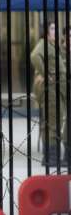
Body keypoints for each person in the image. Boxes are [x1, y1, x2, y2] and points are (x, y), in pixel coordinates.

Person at [31, 21, 68, 167]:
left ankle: (49, 157)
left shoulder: (52, 46)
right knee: (53, 123)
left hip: (56, 89)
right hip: (51, 90)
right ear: (46, 31)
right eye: (52, 28)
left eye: (56, 28)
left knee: (52, 122)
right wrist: (46, 73)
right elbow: (34, 56)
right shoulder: (44, 44)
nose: (55, 31)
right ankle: (52, 158)